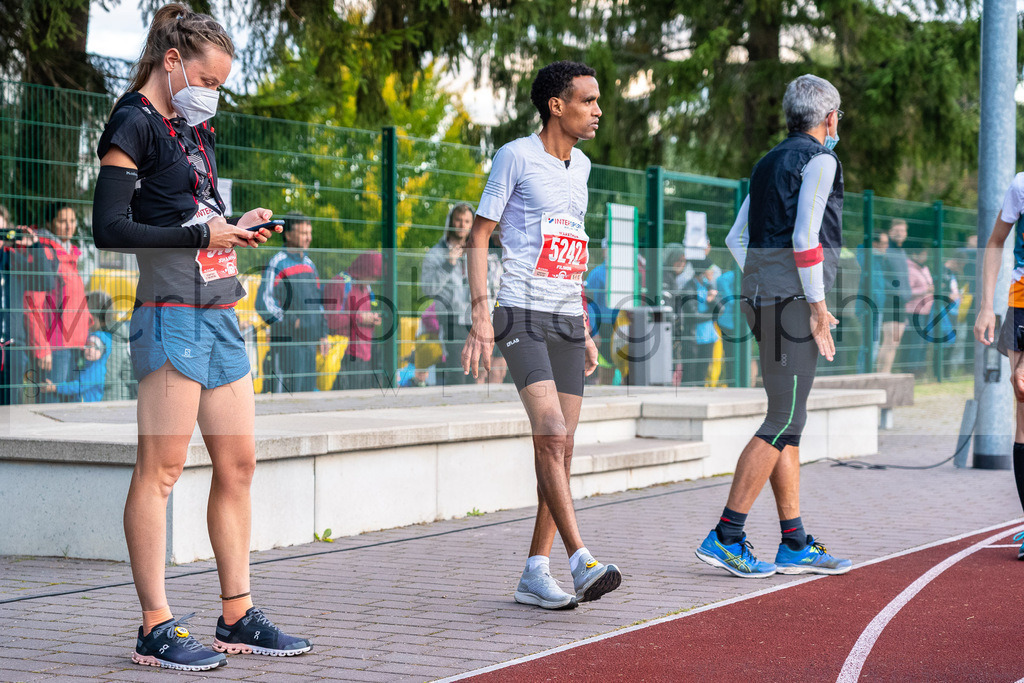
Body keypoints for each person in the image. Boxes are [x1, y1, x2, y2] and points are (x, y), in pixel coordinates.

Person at [91, 3, 310, 670]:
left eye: (218, 84)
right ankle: (155, 624)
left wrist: (231, 225)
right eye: (206, 79)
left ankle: (237, 614)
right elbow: (110, 227)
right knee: (159, 470)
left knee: (238, 464)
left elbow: (188, 212)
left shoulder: (190, 129)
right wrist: (198, 234)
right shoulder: (132, 118)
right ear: (172, 62)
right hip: (169, 311)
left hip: (219, 310)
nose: (211, 93)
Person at [461, 60, 622, 610]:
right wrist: (482, 312)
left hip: (566, 318)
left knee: (562, 449)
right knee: (551, 433)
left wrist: (584, 322)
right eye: (588, 100)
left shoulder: (583, 166)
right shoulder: (515, 156)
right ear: (557, 105)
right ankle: (582, 559)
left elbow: (571, 247)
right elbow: (480, 236)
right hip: (520, 312)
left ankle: (536, 569)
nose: (598, 110)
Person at [702, 74, 853, 578]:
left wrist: (763, 284)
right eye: (839, 117)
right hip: (791, 301)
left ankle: (794, 541)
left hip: (763, 296)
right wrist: (814, 304)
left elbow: (735, 236)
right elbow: (807, 237)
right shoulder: (821, 160)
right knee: (784, 420)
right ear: (828, 117)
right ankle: (727, 534)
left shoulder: (767, 162)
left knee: (790, 418)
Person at [976, 171, 1024, 560]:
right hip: (1022, 304)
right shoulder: (1021, 185)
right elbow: (995, 243)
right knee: (1023, 404)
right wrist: (986, 305)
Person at [23, 204, 93, 403]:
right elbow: (32, 304)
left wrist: (87, 328)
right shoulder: (44, 253)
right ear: (49, 223)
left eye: (72, 221)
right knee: (52, 406)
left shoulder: (69, 254)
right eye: (62, 221)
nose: (68, 226)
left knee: (68, 406)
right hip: (54, 345)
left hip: (74, 343)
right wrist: (41, 347)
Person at [257, 215, 329, 393]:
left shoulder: (310, 265)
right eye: (303, 233)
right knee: (286, 396)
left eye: (309, 232)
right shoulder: (277, 263)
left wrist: (323, 334)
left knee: (307, 397)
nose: (308, 237)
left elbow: (318, 303)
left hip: (310, 344)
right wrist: (292, 321)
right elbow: (263, 302)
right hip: (286, 345)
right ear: (288, 235)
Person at [421, 204, 473, 386]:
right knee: (456, 374)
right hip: (451, 321)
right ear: (450, 222)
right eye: (458, 220)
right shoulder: (436, 253)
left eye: (467, 221)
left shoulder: (479, 252)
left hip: (477, 320)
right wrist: (448, 264)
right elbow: (427, 289)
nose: (462, 225)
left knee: (476, 375)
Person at [43, 290, 114, 402]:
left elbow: (78, 386)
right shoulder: (90, 363)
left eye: (96, 348)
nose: (90, 350)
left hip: (85, 407)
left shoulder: (96, 370)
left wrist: (55, 387)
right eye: (88, 346)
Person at [326, 251, 382, 390]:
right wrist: (360, 317)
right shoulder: (340, 284)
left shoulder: (367, 288)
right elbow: (331, 320)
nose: (373, 281)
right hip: (346, 355)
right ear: (364, 269)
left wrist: (371, 320)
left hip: (366, 355)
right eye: (372, 276)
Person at [877, 219, 913, 373]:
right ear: (890, 232)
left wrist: (907, 293)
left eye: (903, 231)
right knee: (888, 340)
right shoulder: (885, 251)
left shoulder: (902, 252)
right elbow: (878, 276)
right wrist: (894, 290)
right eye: (896, 230)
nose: (900, 234)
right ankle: (881, 376)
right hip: (890, 301)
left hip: (902, 302)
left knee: (895, 342)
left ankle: (887, 374)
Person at [679, 259, 719, 386]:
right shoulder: (689, 287)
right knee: (689, 376)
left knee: (702, 374)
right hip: (693, 337)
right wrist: (712, 315)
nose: (712, 272)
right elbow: (693, 315)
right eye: (710, 270)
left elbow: (720, 309)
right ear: (702, 272)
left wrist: (712, 300)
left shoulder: (708, 286)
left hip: (708, 337)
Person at [855, 231, 888, 373]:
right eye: (884, 243)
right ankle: (862, 375)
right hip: (867, 307)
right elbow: (867, 283)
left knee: (873, 344)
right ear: (875, 244)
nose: (887, 246)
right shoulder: (864, 258)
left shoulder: (877, 259)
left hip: (876, 306)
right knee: (869, 344)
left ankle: (865, 373)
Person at [903, 246, 935, 377]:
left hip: (927, 310)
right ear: (915, 255)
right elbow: (907, 292)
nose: (925, 257)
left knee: (923, 341)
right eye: (923, 254)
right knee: (915, 341)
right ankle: (912, 369)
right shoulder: (910, 269)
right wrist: (924, 291)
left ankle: (920, 368)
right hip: (914, 311)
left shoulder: (924, 268)